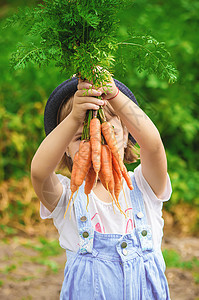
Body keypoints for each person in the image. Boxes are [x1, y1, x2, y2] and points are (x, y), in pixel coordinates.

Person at [31, 74, 172, 299]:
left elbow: (153, 145)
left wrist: (116, 96)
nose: (96, 143)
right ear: (64, 148)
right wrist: (74, 119)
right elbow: (39, 172)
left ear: (127, 135)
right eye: (80, 137)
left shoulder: (145, 186)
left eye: (108, 134)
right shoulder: (66, 198)